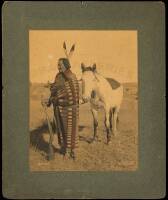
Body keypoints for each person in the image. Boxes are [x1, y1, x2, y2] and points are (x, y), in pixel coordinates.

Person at [46, 57, 79, 160]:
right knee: (67, 130)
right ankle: (67, 150)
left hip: (68, 108)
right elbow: (56, 88)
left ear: (66, 65)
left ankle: (69, 151)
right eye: (58, 64)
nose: (58, 66)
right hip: (68, 108)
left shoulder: (65, 76)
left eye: (60, 64)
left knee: (68, 130)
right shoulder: (71, 75)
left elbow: (55, 89)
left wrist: (51, 99)